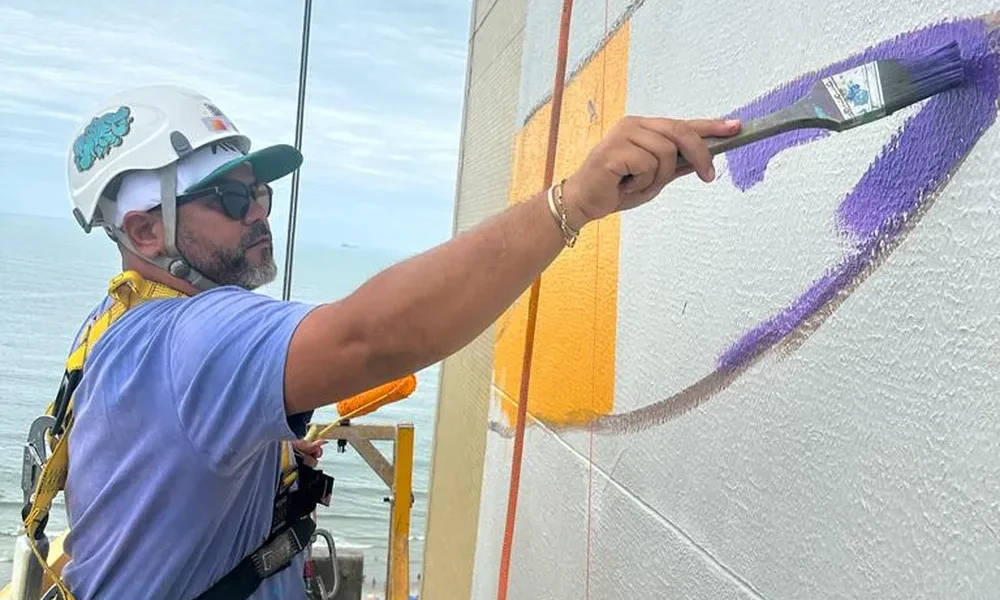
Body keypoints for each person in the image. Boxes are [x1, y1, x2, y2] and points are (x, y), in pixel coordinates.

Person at [48, 84, 740, 599]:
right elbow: (372, 338)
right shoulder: (195, 338)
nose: (259, 213)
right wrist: (573, 204)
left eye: (262, 193)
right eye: (231, 200)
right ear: (144, 234)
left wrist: (264, 448)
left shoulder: (119, 327)